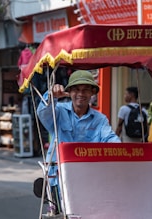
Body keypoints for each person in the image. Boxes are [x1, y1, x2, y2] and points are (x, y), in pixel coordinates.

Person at [37, 70, 121, 213]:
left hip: (90, 179)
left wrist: (124, 152)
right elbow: (42, 114)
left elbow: (111, 140)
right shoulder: (58, 111)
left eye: (86, 90)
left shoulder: (100, 119)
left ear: (92, 93)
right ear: (69, 92)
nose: (81, 94)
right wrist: (50, 96)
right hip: (59, 178)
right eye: (76, 89)